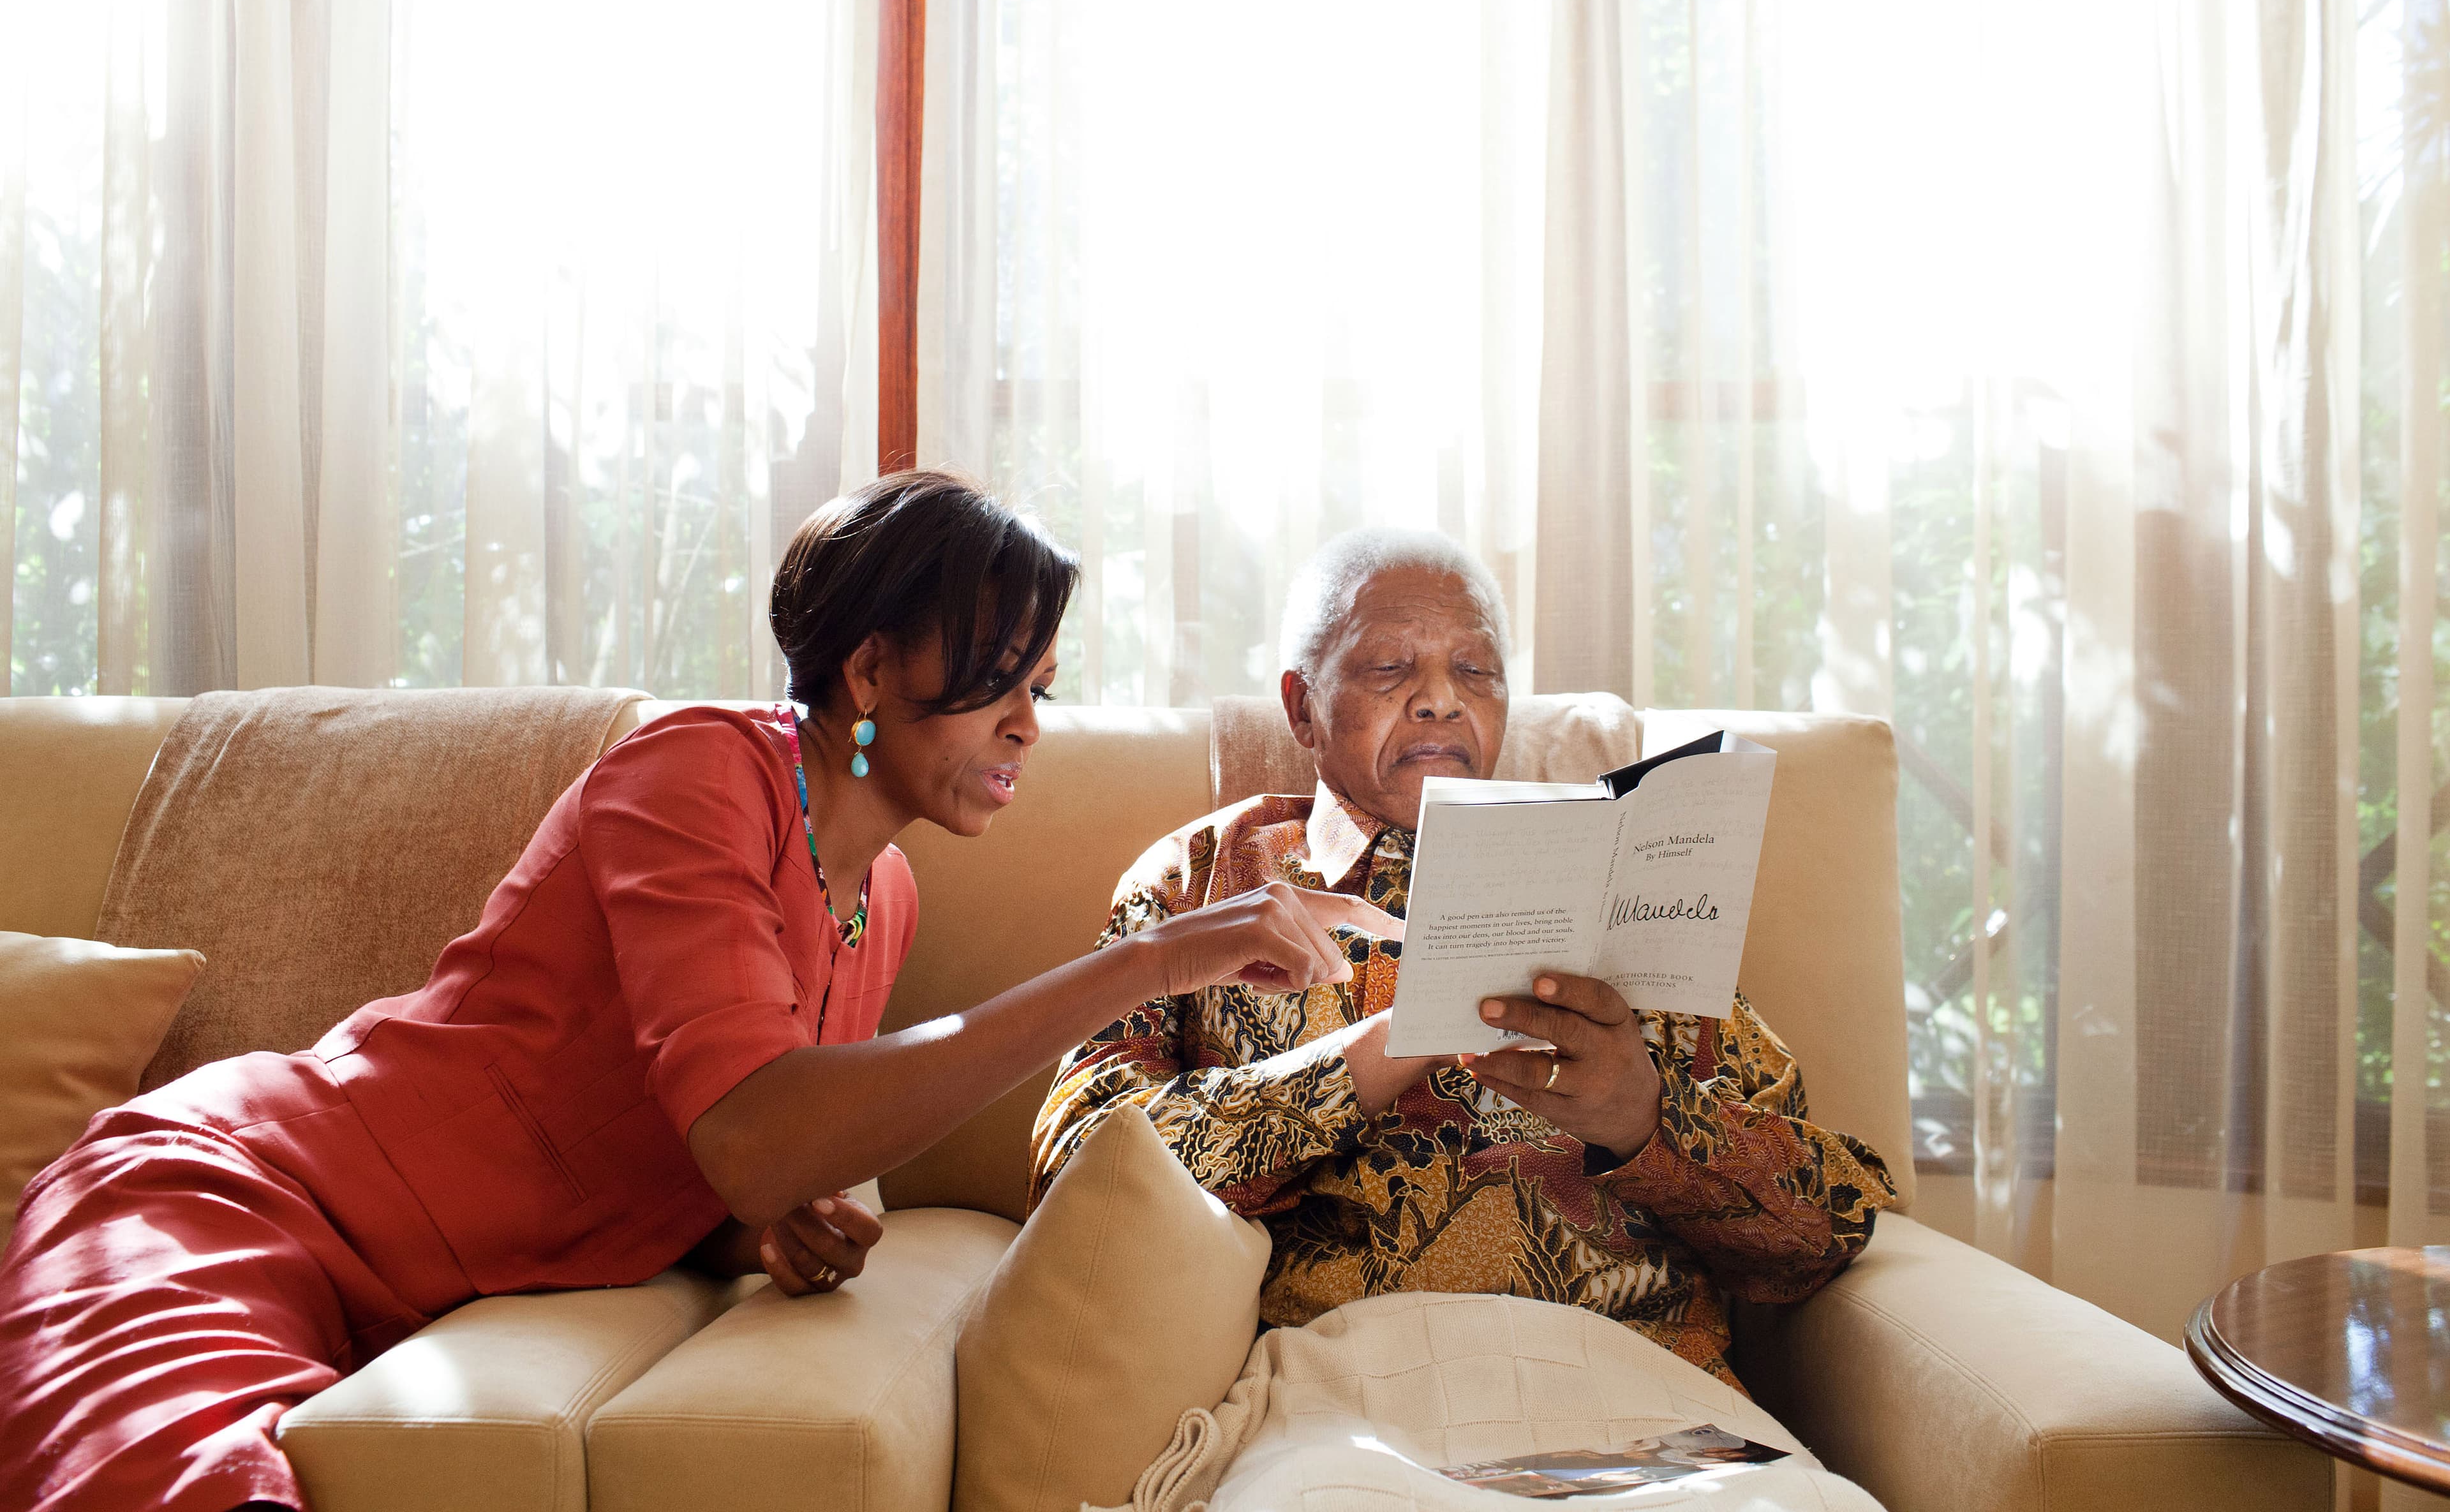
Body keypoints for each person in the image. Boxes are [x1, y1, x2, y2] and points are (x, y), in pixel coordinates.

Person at [0, 471, 1393, 1512]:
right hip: (232, 1198)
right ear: (869, 670)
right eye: (993, 680)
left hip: (402, 1287)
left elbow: (737, 1149)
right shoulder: (698, 773)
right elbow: (757, 1124)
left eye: (1037, 681)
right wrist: (1154, 961)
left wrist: (763, 1228)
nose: (1028, 719)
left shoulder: (884, 892)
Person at [1029, 527, 1895, 1388]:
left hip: (1639, 1396)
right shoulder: (1206, 883)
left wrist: (1645, 1121)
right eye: (1388, 669)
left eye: (1476, 671)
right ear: (1301, 706)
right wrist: (1369, 1059)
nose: (1442, 700)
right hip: (1349, 1398)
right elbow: (1080, 1172)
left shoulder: (1625, 876)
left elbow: (1824, 1232)